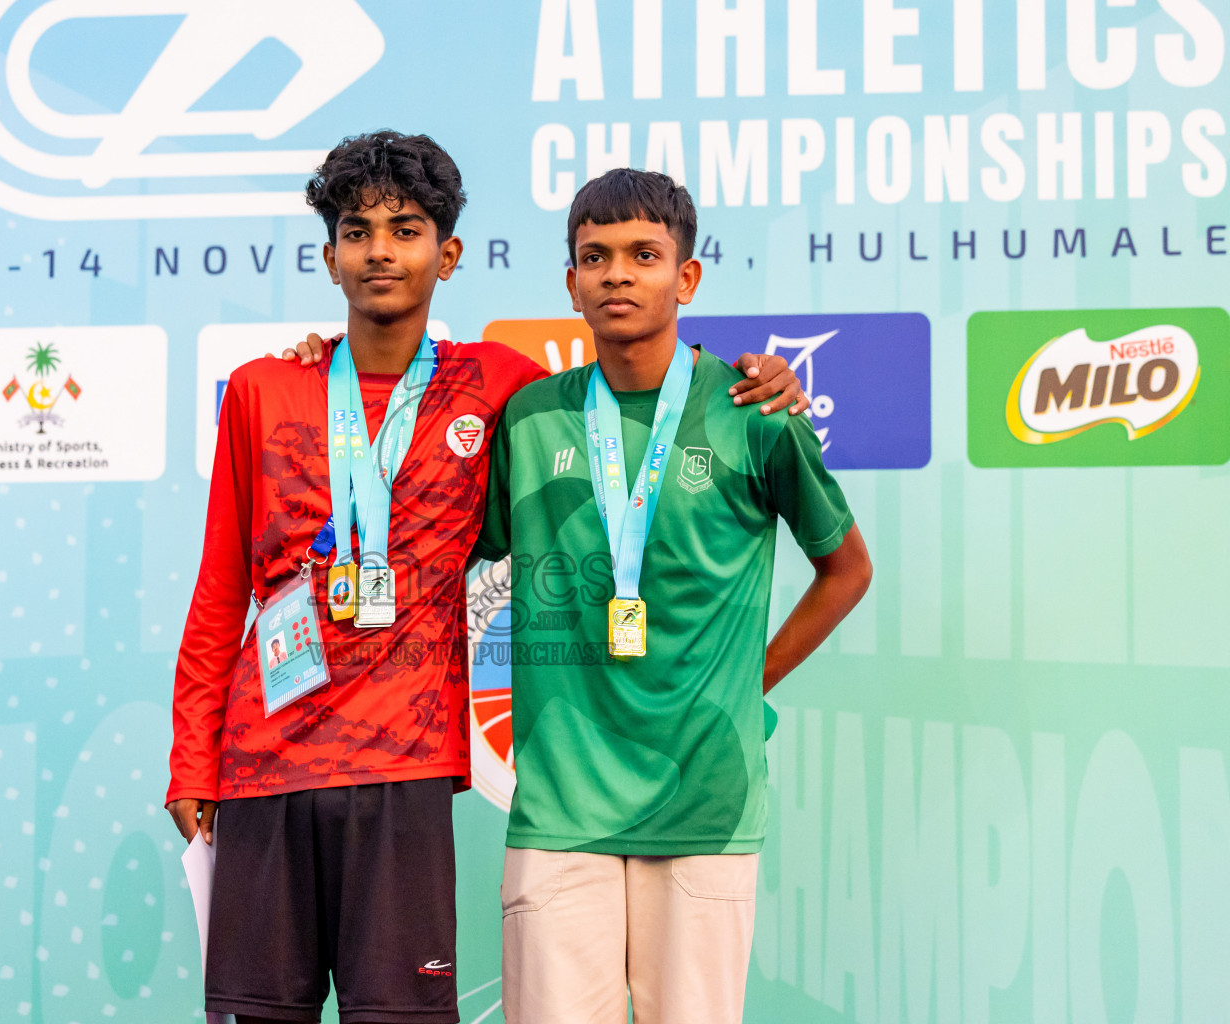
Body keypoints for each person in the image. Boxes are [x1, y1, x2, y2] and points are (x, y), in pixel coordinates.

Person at [166, 132, 806, 1024]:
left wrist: (766, 377)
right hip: (262, 764)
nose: (381, 250)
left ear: (449, 253)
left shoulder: (500, 386)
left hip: (409, 767)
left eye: (406, 229)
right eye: (358, 232)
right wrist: (190, 757)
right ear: (329, 256)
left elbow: (634, 390)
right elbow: (219, 586)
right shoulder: (261, 388)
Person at [472, 168, 874, 1024]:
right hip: (558, 808)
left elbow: (847, 570)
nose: (618, 273)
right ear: (570, 282)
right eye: (596, 256)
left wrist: (747, 678)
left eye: (644, 254)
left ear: (685, 278)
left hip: (707, 804)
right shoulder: (530, 417)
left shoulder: (755, 412)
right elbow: (465, 556)